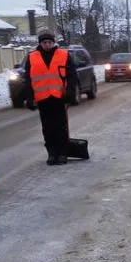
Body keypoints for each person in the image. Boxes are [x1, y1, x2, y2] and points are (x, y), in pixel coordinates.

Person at [23, 31, 79, 165]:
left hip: (59, 97)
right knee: (47, 128)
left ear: (53, 43)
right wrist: (29, 98)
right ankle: (52, 153)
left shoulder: (64, 55)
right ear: (40, 43)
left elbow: (72, 76)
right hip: (43, 99)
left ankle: (62, 153)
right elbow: (28, 80)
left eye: (49, 42)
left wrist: (70, 93)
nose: (47, 45)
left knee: (61, 127)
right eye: (44, 42)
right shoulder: (32, 57)